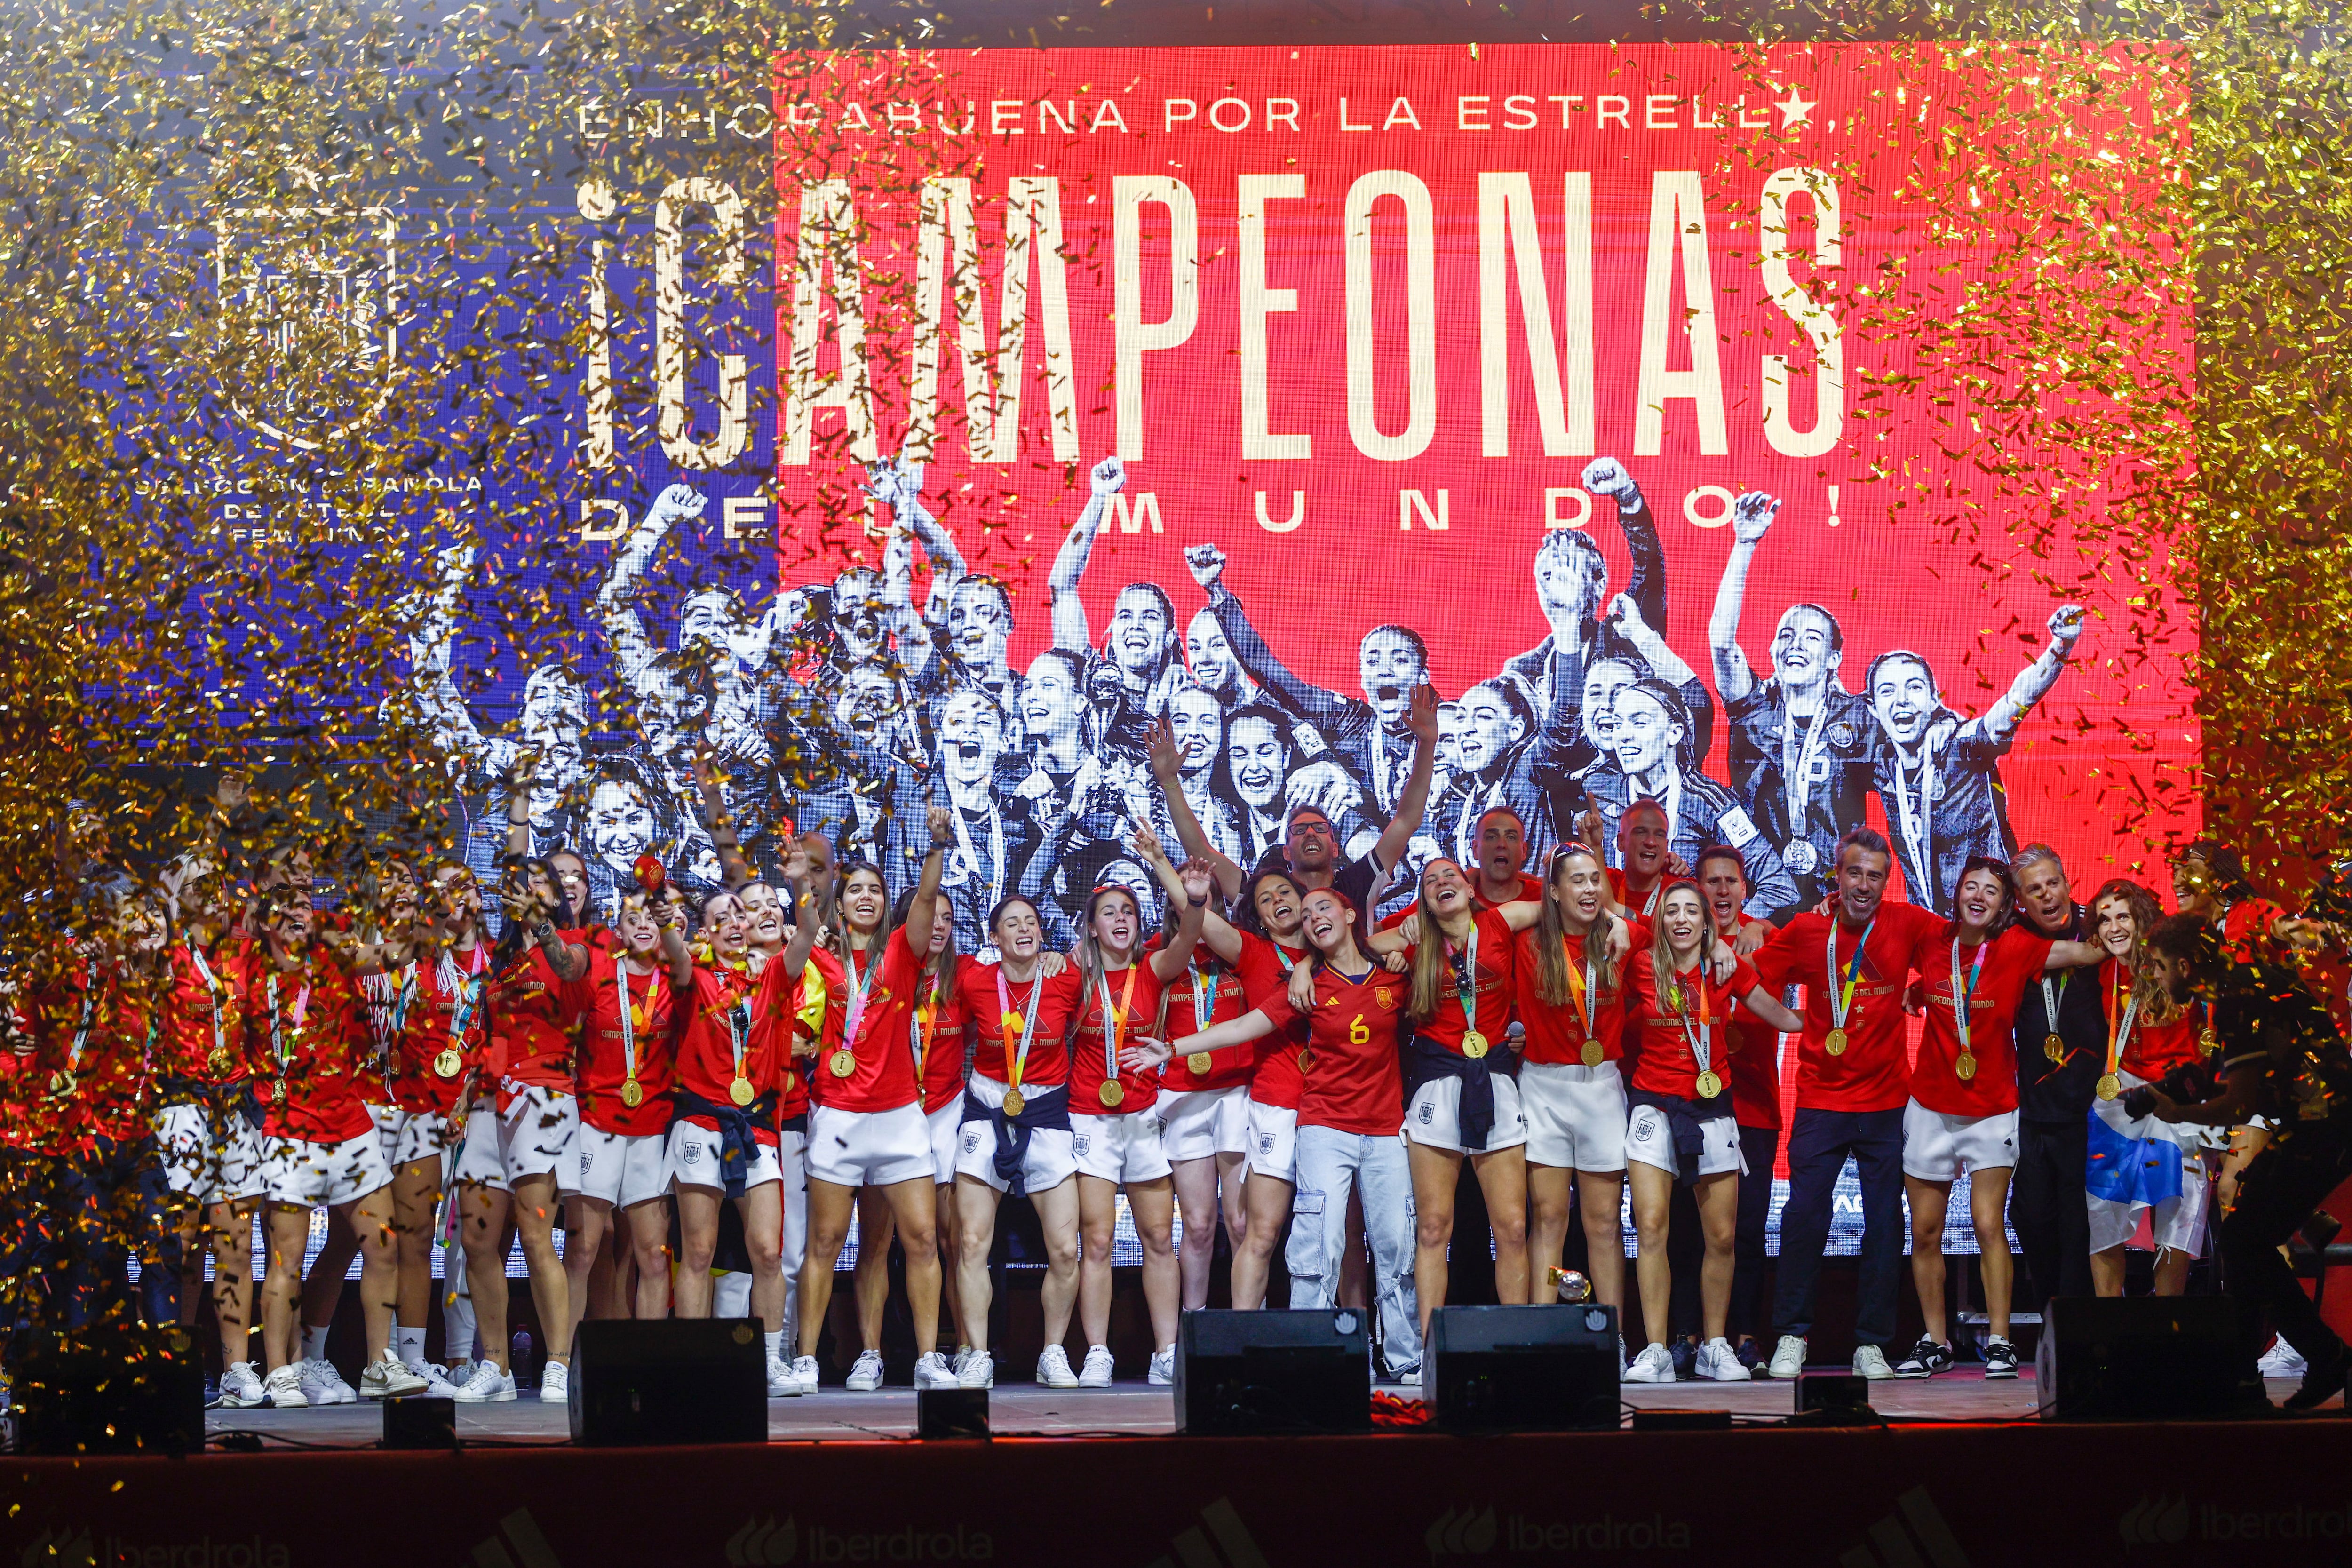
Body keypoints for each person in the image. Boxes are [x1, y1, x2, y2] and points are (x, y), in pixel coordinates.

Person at [1144, 886, 1422, 1379]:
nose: (1315, 916)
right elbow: (1243, 1027)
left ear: (1349, 911)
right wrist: (1172, 1048)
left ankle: (1403, 1358)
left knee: (1394, 1245)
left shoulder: (1395, 977)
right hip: (1322, 1129)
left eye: (1324, 907)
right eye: (1309, 911)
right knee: (1317, 1246)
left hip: (1383, 1132)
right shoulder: (1306, 984)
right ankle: (1310, 1354)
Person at [1749, 828, 1946, 1380]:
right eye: (1854, 873)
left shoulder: (1906, 922)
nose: (1863, 885)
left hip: (1886, 1102)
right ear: (1836, 875)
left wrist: (1920, 989)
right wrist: (1790, 1020)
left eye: (1874, 876)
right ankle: (1791, 1335)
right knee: (1803, 1219)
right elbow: (1750, 978)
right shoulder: (1807, 929)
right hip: (1819, 1098)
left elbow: (1961, 940)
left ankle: (1871, 1345)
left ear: (1887, 880)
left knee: (1884, 1224)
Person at [1891, 857, 2098, 1380]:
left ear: (2005, 906)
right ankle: (1934, 1341)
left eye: (1990, 890)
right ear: (1956, 892)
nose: (1977, 895)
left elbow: (2083, 950)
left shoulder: (2015, 948)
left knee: (1987, 1224)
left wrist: (2131, 927)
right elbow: (1872, 923)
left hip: (1991, 1111)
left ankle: (2001, 1340)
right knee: (1924, 1232)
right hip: (1930, 1109)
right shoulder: (1927, 936)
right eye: (1969, 886)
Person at [2142, 915, 2352, 1409]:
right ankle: (2271, 1373)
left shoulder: (2237, 997)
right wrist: (2172, 1090)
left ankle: (2304, 1363)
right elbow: (2232, 1077)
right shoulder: (2242, 984)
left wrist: (2176, 1112)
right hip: (2313, 1128)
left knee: (2242, 1240)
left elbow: (2238, 1103)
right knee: (2243, 1241)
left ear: (2184, 965)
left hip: (2325, 1131)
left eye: (2157, 967)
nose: (2154, 977)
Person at [792, 809, 961, 1394]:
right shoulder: (817, 957)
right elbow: (801, 922)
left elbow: (927, 898)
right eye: (854, 890)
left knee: (919, 1240)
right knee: (825, 1243)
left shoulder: (901, 951)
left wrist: (935, 848)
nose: (865, 897)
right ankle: (807, 1361)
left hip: (896, 1117)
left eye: (875, 889)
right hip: (837, 1116)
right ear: (838, 905)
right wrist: (801, 887)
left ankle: (926, 1359)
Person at [1621, 880, 1801, 1382]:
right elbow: (1612, 920)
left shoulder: (1724, 967)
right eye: (1671, 911)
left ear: (1706, 921)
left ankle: (1714, 1345)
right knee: (1652, 1228)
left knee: (1720, 1236)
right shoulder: (1639, 964)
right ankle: (1655, 1349)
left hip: (1712, 1111)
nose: (1680, 919)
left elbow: (1773, 1011)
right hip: (1652, 1110)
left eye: (1690, 912)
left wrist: (1824, 1023)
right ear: (1659, 921)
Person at [247, 895, 424, 1406]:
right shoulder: (248, 972)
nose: (299, 911)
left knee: (383, 1245)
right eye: (287, 905)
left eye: (305, 904)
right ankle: (280, 1372)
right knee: (287, 1259)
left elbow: (395, 954)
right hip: (288, 1131)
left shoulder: (337, 958)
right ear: (263, 920)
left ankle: (377, 1364)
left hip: (349, 1125)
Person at [1358, 859, 1544, 1336]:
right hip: (1437, 1086)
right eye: (1430, 881)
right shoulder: (1417, 936)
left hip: (1496, 1084)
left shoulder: (1499, 921)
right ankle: (1427, 1348)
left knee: (1512, 1229)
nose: (1441, 883)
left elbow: (1559, 907)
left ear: (1469, 886)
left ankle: (1514, 1341)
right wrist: (1399, 941)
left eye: (1449, 876)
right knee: (1434, 1229)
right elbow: (1366, 946)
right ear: (1423, 898)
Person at [660, 882, 818, 1397]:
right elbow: (676, 956)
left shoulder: (773, 977)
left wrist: (803, 888)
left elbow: (808, 935)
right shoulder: (695, 978)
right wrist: (666, 922)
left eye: (740, 914)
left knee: (767, 1254)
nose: (734, 923)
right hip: (701, 1126)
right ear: (707, 930)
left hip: (754, 1129)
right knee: (699, 1253)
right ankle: (690, 1364)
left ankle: (769, 1363)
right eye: (721, 917)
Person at [1064, 839, 1213, 1386]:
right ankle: (1098, 1352)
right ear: (1092, 927)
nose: (1120, 919)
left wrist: (1193, 901)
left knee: (1158, 1239)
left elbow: (1190, 936)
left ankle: (1166, 1351)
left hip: (1144, 1117)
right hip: (1090, 1119)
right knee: (1097, 1241)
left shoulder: (1152, 970)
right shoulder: (1070, 977)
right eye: (1109, 912)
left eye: (1127, 910)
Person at [1184, 542, 1434, 831]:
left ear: (1423, 675)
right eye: (1373, 661)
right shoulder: (1351, 722)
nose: (1385, 670)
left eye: (1400, 660)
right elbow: (1268, 671)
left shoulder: (1449, 733)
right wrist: (1216, 591)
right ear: (1362, 674)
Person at [1708, 491, 1878, 907]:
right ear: (1771, 651)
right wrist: (1744, 545)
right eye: (1786, 634)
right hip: (1758, 901)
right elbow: (1721, 640)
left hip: (1835, 905)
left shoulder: (1860, 718)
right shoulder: (1753, 711)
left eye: (1811, 637)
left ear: (1834, 658)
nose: (1795, 645)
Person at [1864, 605, 2084, 912]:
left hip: (1997, 925)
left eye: (1914, 687)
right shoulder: (1879, 766)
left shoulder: (1963, 747)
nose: (1901, 699)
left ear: (1934, 699)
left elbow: (2017, 701)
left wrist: (2060, 647)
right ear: (1873, 708)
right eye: (1887, 691)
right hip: (1934, 932)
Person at [949, 896, 1084, 1389]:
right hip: (987, 1112)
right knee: (970, 1243)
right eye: (1012, 923)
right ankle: (979, 1354)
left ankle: (1052, 1353)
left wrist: (1063, 954)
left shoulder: (1065, 977)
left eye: (1030, 922)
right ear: (995, 938)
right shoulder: (974, 979)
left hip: (1047, 1114)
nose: (1024, 929)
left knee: (1066, 1251)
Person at [151, 858, 269, 1406]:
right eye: (199, 886)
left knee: (236, 1245)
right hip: (182, 1108)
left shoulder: (243, 954)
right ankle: (174, 1366)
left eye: (218, 885)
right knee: (181, 1247)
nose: (215, 896)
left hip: (234, 1109)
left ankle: (237, 1369)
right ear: (176, 895)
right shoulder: (163, 957)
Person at [1514, 844, 1635, 1331]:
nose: (1588, 889)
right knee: (1547, 1222)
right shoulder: (1527, 944)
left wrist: (1620, 918)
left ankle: (1614, 1337)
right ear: (1554, 892)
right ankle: (1543, 1332)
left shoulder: (1621, 937)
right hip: (1542, 1087)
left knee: (1604, 1224)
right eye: (1578, 881)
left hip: (1601, 1085)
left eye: (1595, 881)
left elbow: (1684, 933)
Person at [559, 890, 679, 1336]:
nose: (643, 925)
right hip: (597, 1125)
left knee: (652, 1254)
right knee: (583, 1250)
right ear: (620, 929)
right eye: (633, 918)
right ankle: (561, 1359)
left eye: (651, 918)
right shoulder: (600, 976)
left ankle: (649, 1358)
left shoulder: (675, 978)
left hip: (651, 1129)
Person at [2084, 879, 2210, 1298]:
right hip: (2120, 1098)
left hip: (2174, 1098)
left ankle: (2167, 1322)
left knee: (2176, 1209)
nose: (2114, 927)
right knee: (2104, 1211)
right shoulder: (2105, 970)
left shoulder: (2177, 962)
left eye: (2123, 916)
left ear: (2143, 919)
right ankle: (2109, 1324)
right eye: (2105, 919)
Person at [1584, 679, 1801, 921]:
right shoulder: (1598, 793)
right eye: (1617, 725)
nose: (1623, 736)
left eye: (1639, 722)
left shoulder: (1709, 801)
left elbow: (1780, 887)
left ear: (1674, 733)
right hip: (1616, 941)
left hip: (1683, 945)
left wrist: (1725, 934)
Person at [1694, 846, 1788, 1369]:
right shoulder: (1679, 938)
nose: (1722, 891)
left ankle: (1747, 1335)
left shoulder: (1768, 938)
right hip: (1695, 1107)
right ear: (1697, 889)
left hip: (1753, 1108)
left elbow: (1819, 938)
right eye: (1712, 882)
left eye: (1731, 881)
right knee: (1696, 1230)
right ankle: (1689, 1338)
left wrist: (1772, 922)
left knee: (1747, 1229)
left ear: (1745, 888)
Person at [2004, 843, 2106, 1319]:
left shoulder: (2101, 933)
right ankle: (2051, 1312)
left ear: (2068, 884)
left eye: (2052, 883)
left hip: (2090, 1106)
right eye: (2033, 890)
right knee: (2029, 1216)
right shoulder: (2011, 939)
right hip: (2031, 1108)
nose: (2047, 896)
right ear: (2020, 901)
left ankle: (2072, 1325)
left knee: (2078, 1223)